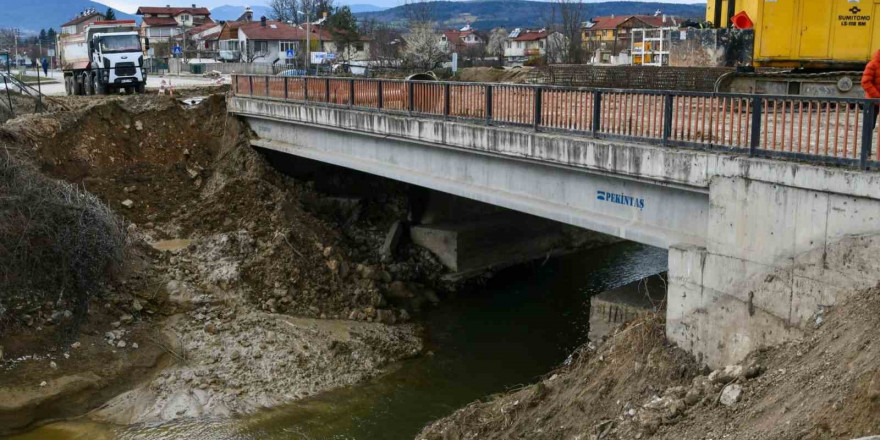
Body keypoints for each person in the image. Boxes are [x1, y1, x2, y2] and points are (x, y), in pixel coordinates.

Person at [861, 49, 880, 127]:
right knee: (869, 126)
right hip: (873, 101)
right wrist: (877, 96)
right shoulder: (872, 65)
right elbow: (865, 82)